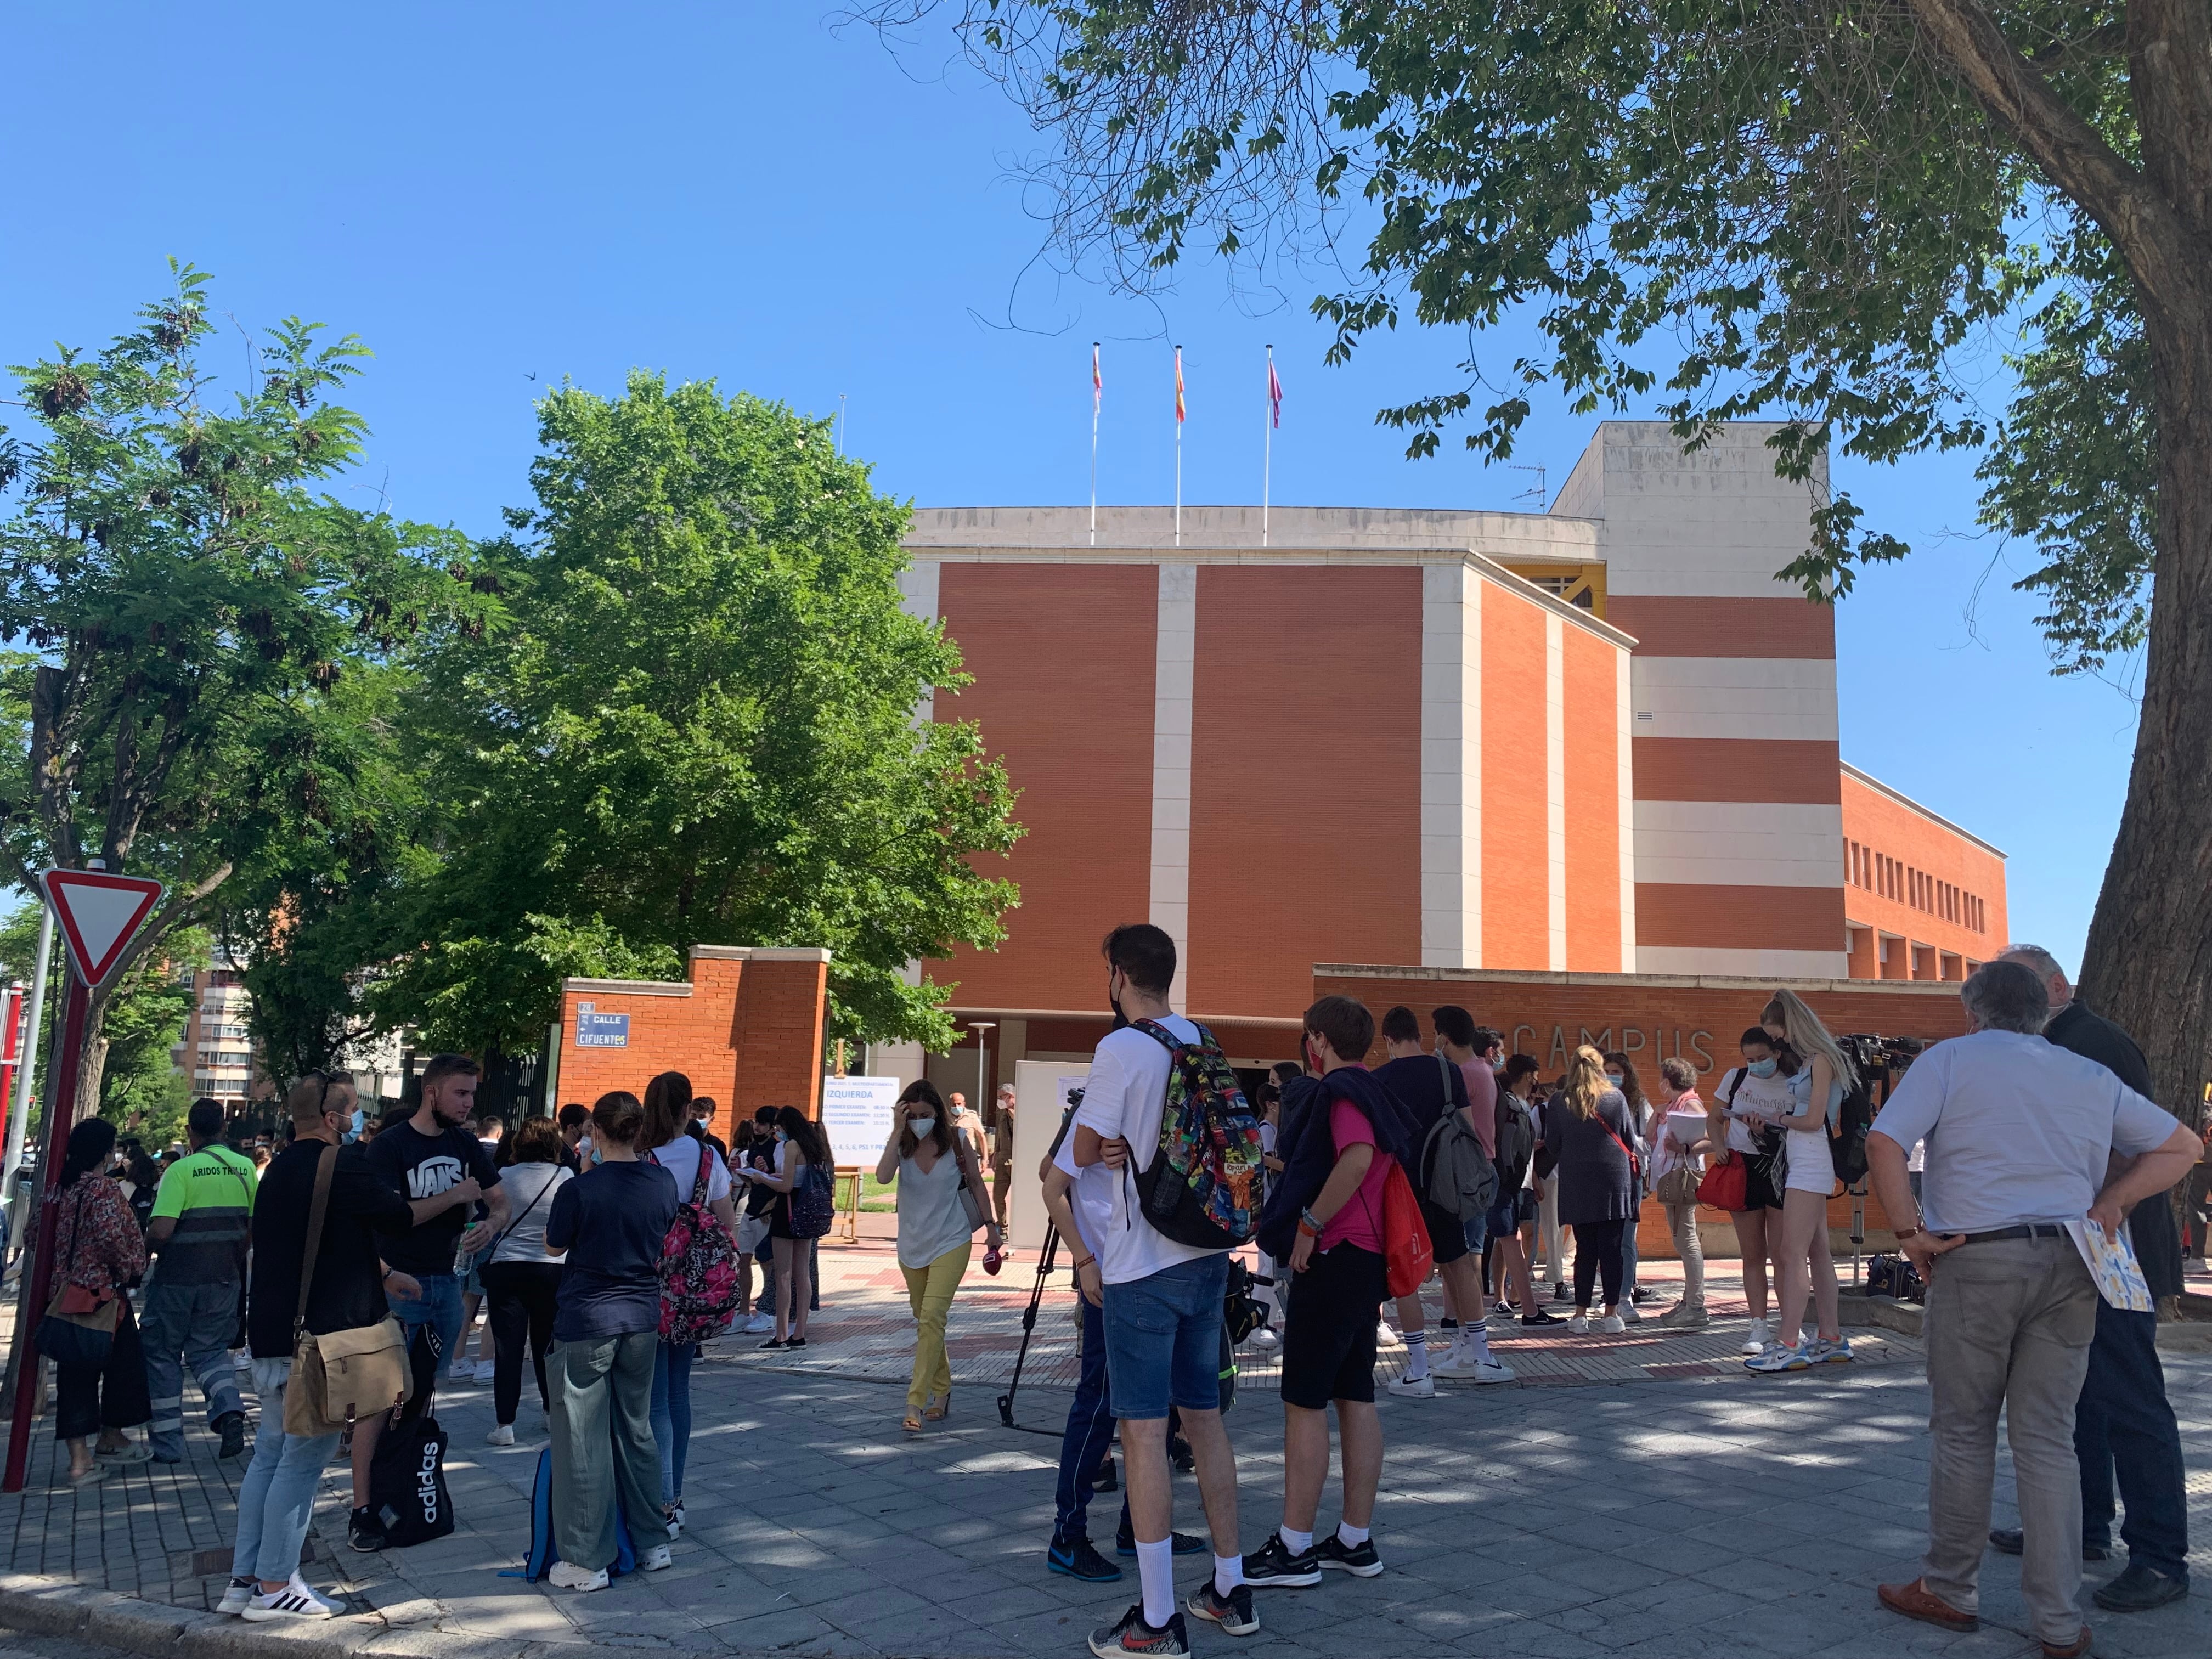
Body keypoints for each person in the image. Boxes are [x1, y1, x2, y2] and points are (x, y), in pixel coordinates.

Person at [1867, 960, 2198, 1659]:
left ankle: (1951, 1588)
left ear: (1974, 1012)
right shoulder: (2084, 1072)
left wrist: (1908, 1232)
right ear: (2043, 1013)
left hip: (1977, 1257)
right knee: (2048, 1439)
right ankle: (2057, 1619)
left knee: (1964, 1429)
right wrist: (2113, 1203)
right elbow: (2183, 1146)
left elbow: (1885, 1140)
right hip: (2072, 1260)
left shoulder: (1949, 1061)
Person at [1993, 945, 2192, 1612]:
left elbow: (2141, 1145)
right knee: (2080, 1398)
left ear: (2054, 986)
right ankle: (2081, 1528)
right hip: (2083, 1246)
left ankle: (2161, 1557)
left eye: (2017, 990)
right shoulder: (2057, 1044)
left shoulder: (2091, 1043)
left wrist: (2106, 1209)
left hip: (2114, 1250)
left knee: (2129, 1399)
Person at [1072, 923, 1252, 1655]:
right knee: (1204, 1422)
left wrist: (1112, 1142)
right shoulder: (1198, 1037)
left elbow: (1084, 1149)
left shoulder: (1121, 1047)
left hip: (1141, 1267)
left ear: (1118, 975)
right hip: (1207, 1255)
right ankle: (1231, 1590)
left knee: (1142, 1434)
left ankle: (1154, 1618)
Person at [1242, 996, 1418, 1600]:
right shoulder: (1376, 1087)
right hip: (1368, 1260)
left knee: (1304, 1401)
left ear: (1318, 1039)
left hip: (1335, 1256)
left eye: (1306, 1037)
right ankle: (1352, 1539)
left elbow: (1357, 1156)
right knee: (1354, 1395)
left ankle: (1294, 1547)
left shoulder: (1342, 1092)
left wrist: (1311, 1224)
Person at [224, 1072, 417, 1621]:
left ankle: (245, 1579)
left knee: (269, 1455)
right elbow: (397, 1217)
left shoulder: (278, 1167)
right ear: (333, 1117)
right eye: (354, 1108)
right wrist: (458, 1195)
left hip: (270, 1331)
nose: (359, 1118)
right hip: (315, 1338)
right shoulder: (339, 1165)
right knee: (303, 1460)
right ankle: (274, 1584)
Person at [541, 1090, 676, 1591]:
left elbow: (555, 1245)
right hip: (642, 1316)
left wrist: (583, 1169)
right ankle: (652, 1541)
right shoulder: (662, 1182)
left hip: (587, 1316)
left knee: (582, 1438)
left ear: (594, 1131)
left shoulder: (581, 1189)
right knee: (636, 1429)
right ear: (638, 1130)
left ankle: (585, 1557)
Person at [1371, 1006, 1513, 1389]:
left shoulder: (1380, 1079)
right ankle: (1482, 1356)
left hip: (1400, 1191)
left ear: (1388, 1039)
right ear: (1420, 1035)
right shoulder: (1448, 1071)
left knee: (1406, 1277)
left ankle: (1418, 1370)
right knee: (1460, 1265)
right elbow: (1465, 1129)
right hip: (1446, 1186)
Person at [365, 1055, 509, 1374]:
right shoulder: (389, 1146)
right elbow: (394, 1216)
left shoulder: (465, 1143)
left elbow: (501, 1201)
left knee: (431, 1385)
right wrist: (455, 1195)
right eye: (460, 1094)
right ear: (431, 1092)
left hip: (449, 1280)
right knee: (392, 1389)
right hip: (399, 1282)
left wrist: (491, 1224)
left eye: (472, 1094)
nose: (469, 1103)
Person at [640, 1071, 737, 1531]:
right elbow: (727, 1222)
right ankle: (674, 1496)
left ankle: (657, 1501)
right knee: (679, 1392)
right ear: (687, 1110)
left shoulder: (640, 1158)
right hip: (692, 1289)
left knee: (653, 1397)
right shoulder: (706, 1156)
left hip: (646, 1284)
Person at [876, 1079, 1000, 1432]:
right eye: (911, 1115)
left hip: (953, 1238)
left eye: (925, 1114)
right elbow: (883, 1178)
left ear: (939, 1113)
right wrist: (897, 1131)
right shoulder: (901, 1144)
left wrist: (991, 1226)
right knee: (925, 1319)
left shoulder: (958, 1141)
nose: (919, 1121)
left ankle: (915, 1401)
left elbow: (976, 1183)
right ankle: (943, 1391)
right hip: (912, 1244)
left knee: (932, 1315)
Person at [141, 1097, 257, 1463]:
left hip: (176, 1280)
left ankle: (168, 1445)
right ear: (224, 1128)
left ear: (189, 1131)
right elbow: (252, 1228)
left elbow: (162, 1229)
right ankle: (229, 1408)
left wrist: (143, 1249)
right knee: (210, 1352)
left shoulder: (181, 1171)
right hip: (223, 1278)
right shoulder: (246, 1169)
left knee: (161, 1356)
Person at [1743, 990, 1851, 1372]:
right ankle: (1831, 1336)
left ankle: (1789, 1341)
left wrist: (1779, 1120)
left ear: (1792, 1025)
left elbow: (1814, 1119)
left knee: (1790, 1253)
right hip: (1804, 1156)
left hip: (1810, 1157)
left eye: (1778, 1034)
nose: (1778, 1042)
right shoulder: (1813, 1060)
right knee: (1817, 1250)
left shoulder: (1820, 1061)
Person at [48, 1119, 152, 1483]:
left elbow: (34, 1234)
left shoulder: (59, 1189)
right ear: (106, 1152)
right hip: (104, 1297)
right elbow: (112, 1239)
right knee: (123, 1367)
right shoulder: (102, 1191)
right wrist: (129, 1268)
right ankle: (112, 1438)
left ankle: (80, 1459)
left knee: (74, 1375)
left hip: (64, 1296)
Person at [481, 1117, 572, 1448]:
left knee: (508, 1347)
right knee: (547, 1345)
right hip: (553, 1267)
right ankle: (551, 1413)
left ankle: (505, 1424)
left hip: (508, 1265)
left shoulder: (503, 1176)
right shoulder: (565, 1176)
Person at [1708, 1028, 1789, 1355]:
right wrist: (1718, 1146)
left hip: (1781, 1167)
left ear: (1777, 1054)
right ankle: (1758, 1324)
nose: (1756, 1065)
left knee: (1784, 1254)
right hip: (1743, 1166)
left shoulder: (1792, 1081)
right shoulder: (1735, 1078)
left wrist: (1770, 1127)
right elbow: (1714, 1119)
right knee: (1752, 1253)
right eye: (1750, 1059)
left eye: (1762, 1058)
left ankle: (1790, 1324)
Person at [1545, 1046, 1635, 1334]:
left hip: (1577, 1181)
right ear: (1600, 1068)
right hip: (1613, 1179)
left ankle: (1580, 1315)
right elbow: (1628, 1140)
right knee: (1612, 1249)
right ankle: (1611, 1314)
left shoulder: (1560, 1101)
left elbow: (1552, 1145)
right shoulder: (1615, 1098)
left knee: (1585, 1250)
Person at [737, 1106, 827, 1348]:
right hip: (808, 1211)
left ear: (786, 1126)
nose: (778, 1132)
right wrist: (771, 1175)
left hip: (787, 1212)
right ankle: (800, 1333)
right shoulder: (814, 1146)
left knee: (783, 1275)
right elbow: (797, 1179)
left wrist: (761, 1178)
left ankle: (781, 1335)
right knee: (803, 1273)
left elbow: (786, 1186)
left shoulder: (791, 1146)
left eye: (779, 1128)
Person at [1485, 1056, 1560, 1327]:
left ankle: (1521, 1300)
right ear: (1529, 1075)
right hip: (1508, 1184)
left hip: (1522, 1182)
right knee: (1506, 1237)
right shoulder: (1507, 1105)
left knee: (1516, 1236)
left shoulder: (1519, 1106)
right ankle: (1510, 1301)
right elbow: (1506, 1150)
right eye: (1535, 1076)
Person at [1647, 1057, 1711, 1327]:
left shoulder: (1690, 1104)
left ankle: (1696, 1305)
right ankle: (1689, 1300)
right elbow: (1650, 1135)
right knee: (1680, 1238)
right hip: (1670, 1178)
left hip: (1682, 1178)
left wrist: (1684, 1149)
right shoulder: (1673, 1105)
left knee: (1686, 1239)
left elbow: (1709, 1141)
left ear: (1668, 1081)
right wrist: (1657, 1112)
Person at [1600, 1052, 1653, 1319]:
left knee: (1626, 1239)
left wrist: (1627, 1143)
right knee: (1600, 1239)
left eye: (1617, 1071)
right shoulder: (1591, 1101)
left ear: (1627, 1074)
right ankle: (1607, 1294)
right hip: (1599, 1177)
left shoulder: (1638, 1103)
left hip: (1630, 1176)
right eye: (1607, 1070)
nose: (1612, 1075)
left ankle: (1624, 1297)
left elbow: (1650, 1141)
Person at [989, 1082, 1019, 1231]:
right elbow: (1001, 1136)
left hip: (1017, 1163)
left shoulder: (1021, 1113)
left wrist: (1015, 1119)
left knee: (1019, 1198)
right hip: (1003, 1161)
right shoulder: (1003, 1114)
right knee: (997, 1197)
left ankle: (1019, 1229)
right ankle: (1002, 1226)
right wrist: (995, 1154)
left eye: (1001, 1097)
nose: (999, 1101)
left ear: (1011, 1096)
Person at [689, 1096, 727, 1163]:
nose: (697, 1120)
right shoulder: (681, 1141)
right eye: (694, 1116)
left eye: (702, 1117)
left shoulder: (717, 1145)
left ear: (711, 1119)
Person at [556, 1103, 589, 1173]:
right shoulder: (560, 1153)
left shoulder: (574, 1151)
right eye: (587, 1125)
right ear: (571, 1128)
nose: (589, 1130)